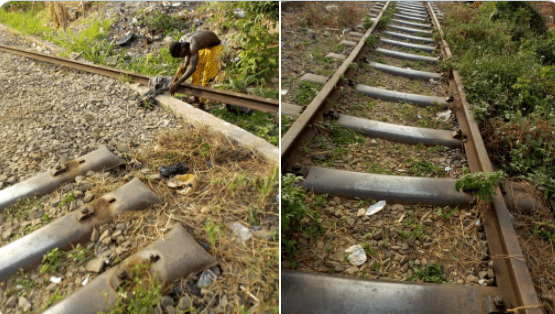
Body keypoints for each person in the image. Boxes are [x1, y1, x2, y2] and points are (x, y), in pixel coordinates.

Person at [168, 30, 223, 101]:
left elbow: (193, 67)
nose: (182, 57)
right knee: (195, 75)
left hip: (214, 46)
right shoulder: (183, 41)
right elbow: (187, 52)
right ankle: (196, 98)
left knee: (208, 75)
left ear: (182, 48)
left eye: (181, 55)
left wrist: (177, 83)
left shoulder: (193, 44)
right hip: (202, 47)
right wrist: (185, 64)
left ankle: (203, 100)